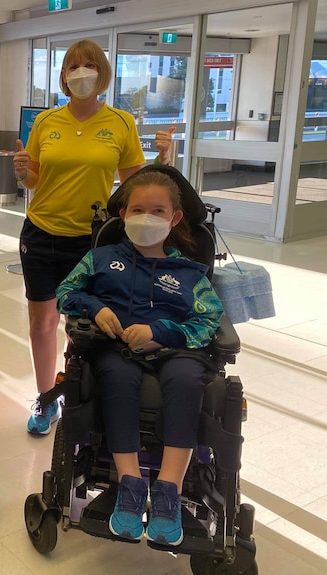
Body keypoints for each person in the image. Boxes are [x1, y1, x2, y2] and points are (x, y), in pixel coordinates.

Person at [12, 39, 176, 435]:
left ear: (101, 73)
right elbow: (34, 177)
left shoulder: (120, 123)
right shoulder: (47, 122)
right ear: (63, 76)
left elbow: (135, 185)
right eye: (72, 66)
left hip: (92, 239)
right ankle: (46, 398)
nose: (80, 71)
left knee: (81, 324)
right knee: (42, 323)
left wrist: (163, 161)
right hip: (41, 233)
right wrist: (22, 171)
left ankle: (79, 394)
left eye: (88, 64)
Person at [55, 169, 223, 546]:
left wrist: (160, 331)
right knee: (116, 376)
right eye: (138, 209)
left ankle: (168, 491)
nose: (147, 218)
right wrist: (96, 308)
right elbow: (66, 291)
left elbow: (209, 317)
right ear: (123, 216)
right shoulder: (100, 258)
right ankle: (130, 486)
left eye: (158, 211)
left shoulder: (188, 274)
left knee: (185, 380)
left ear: (175, 218)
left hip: (176, 349)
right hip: (115, 348)